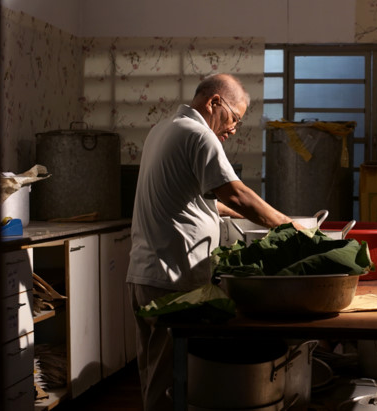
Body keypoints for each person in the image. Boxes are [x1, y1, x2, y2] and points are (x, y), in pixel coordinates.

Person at [126, 73, 301, 411]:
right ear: (214, 102)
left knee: (154, 374)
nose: (234, 129)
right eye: (234, 118)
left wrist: (247, 215)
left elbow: (200, 201)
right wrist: (290, 226)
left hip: (145, 274)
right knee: (171, 381)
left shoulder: (162, 129)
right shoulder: (199, 135)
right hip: (173, 277)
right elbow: (237, 195)